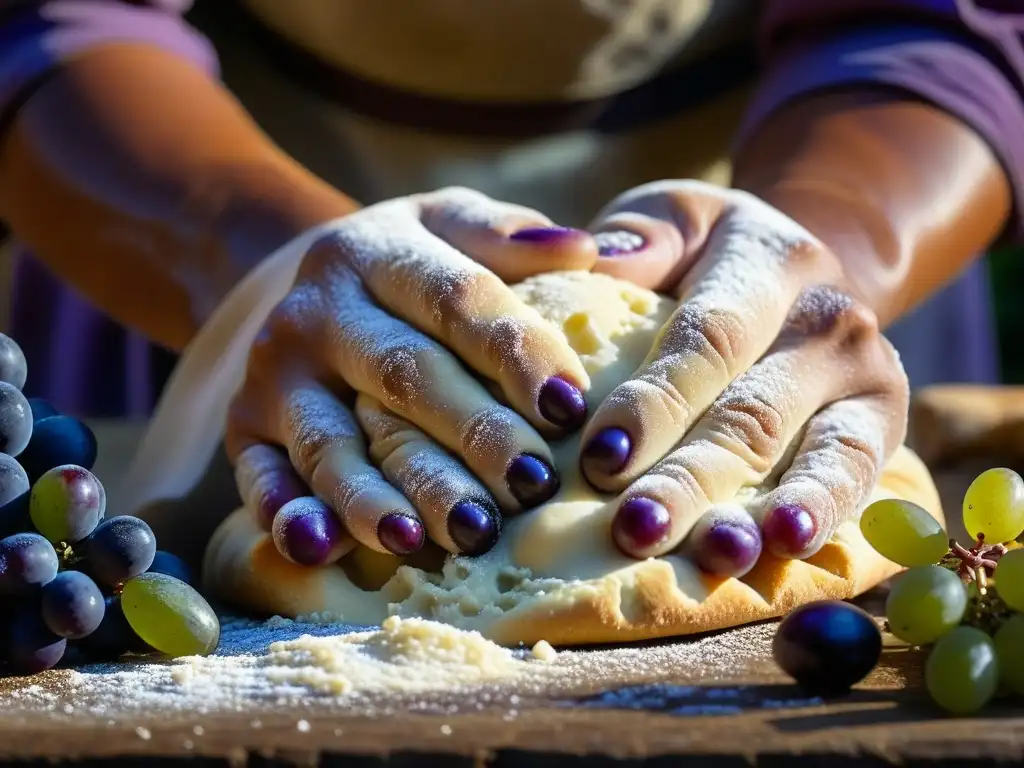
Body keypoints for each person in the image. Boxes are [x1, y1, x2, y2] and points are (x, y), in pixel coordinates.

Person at [0, 1, 1021, 569]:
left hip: (790, 271)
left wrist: (814, 249)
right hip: (198, 239)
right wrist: (266, 263)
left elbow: (940, 19)